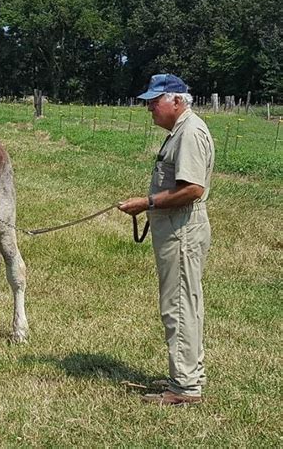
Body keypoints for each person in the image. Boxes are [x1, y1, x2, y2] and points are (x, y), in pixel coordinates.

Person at [118, 74, 215, 406]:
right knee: (183, 304)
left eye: (154, 102)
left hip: (182, 231)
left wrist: (146, 203)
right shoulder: (182, 130)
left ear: (176, 100)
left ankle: (185, 388)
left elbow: (192, 189)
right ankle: (185, 375)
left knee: (179, 307)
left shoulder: (189, 133)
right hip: (176, 229)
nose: (149, 109)